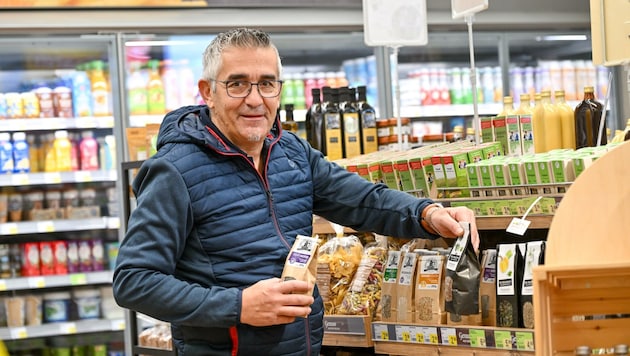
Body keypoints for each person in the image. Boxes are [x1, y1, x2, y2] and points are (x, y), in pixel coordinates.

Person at [113, 27, 479, 356]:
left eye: (267, 83)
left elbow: (364, 200)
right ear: (208, 91)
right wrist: (238, 305)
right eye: (237, 84)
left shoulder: (291, 152)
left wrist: (429, 214)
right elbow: (134, 281)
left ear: (279, 90)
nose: (255, 99)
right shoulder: (175, 169)